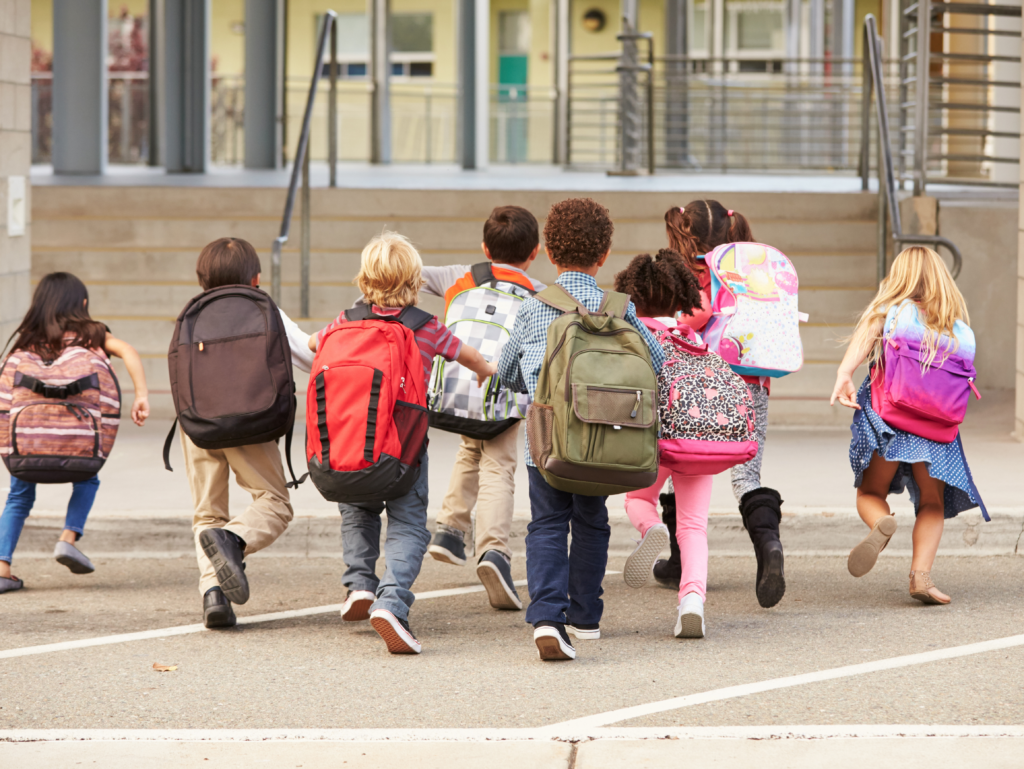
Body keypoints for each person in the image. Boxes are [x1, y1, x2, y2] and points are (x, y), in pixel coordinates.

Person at [497, 198, 666, 661]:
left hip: (548, 443)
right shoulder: (620, 310)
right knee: (591, 522)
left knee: (547, 523)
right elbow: (659, 364)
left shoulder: (535, 308)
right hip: (604, 440)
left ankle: (548, 618)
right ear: (604, 254)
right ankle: (586, 617)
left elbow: (507, 371)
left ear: (549, 252)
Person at [312, 231, 497, 654]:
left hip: (351, 447)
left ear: (364, 279)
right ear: (414, 281)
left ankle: (359, 584)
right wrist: (486, 370)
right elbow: (467, 355)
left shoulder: (345, 321)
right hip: (403, 453)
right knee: (409, 523)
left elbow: (312, 343)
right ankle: (391, 602)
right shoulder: (426, 327)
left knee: (358, 512)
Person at [830, 246, 984, 605]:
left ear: (899, 277)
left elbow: (867, 332)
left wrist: (843, 374)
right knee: (932, 502)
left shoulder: (891, 313)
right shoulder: (957, 328)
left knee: (870, 493)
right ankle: (921, 578)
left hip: (890, 420)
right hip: (937, 429)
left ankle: (880, 522)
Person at [655, 201, 786, 611]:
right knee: (747, 475)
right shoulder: (750, 274)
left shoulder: (687, 277)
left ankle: (680, 561)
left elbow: (689, 319)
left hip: (699, 384)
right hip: (750, 382)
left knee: (684, 464)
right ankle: (769, 546)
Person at [181, 238, 314, 629]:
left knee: (207, 513)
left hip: (197, 424)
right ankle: (234, 541)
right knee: (274, 502)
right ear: (256, 278)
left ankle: (213, 595)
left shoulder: (193, 313)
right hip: (250, 423)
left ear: (202, 278)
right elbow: (309, 357)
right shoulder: (263, 309)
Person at [424, 205, 546, 611]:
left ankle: (449, 528)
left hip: (456, 389)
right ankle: (493, 551)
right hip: (502, 391)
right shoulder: (539, 293)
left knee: (469, 446)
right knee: (499, 467)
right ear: (535, 252)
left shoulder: (459, 277)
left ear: (483, 247)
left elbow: (410, 272)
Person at [0, 272, 150, 594]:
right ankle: (68, 538)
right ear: (82, 303)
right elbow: (128, 351)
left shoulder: (27, 341)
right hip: (77, 441)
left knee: (19, 496)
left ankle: (2, 567)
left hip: (30, 443)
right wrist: (141, 394)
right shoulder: (92, 334)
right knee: (88, 478)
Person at [614, 251, 717, 638]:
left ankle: (652, 527)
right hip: (695, 441)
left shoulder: (631, 333)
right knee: (693, 526)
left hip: (649, 439)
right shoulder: (693, 338)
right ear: (679, 298)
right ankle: (692, 601)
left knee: (639, 500)